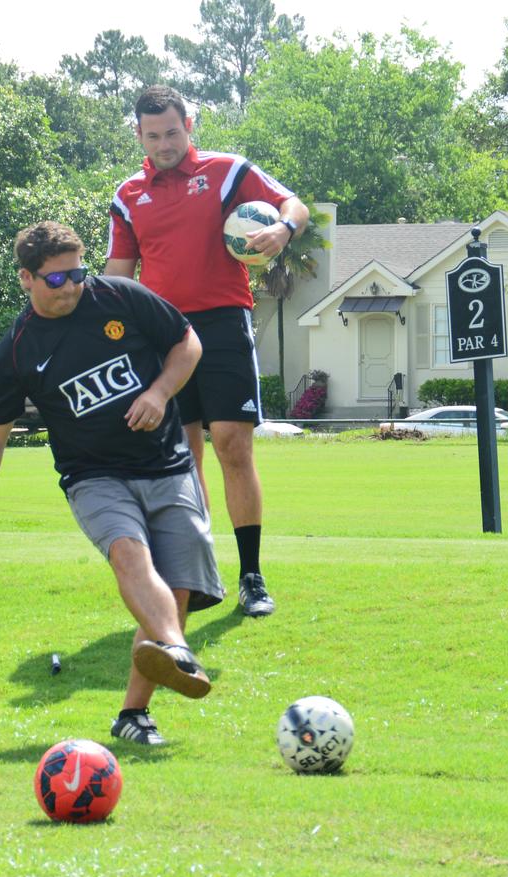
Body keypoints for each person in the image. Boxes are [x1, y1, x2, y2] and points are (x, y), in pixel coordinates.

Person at [0, 221, 224, 746]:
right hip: (94, 476)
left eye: (77, 273)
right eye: (56, 280)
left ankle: (133, 715)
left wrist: (161, 393)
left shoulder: (119, 296)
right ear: (26, 280)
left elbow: (187, 343)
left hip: (167, 464)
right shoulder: (18, 348)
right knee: (129, 554)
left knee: (177, 586)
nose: (72, 286)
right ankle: (177, 648)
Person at [105, 84, 309, 619]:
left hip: (222, 323)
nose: (164, 143)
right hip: (162, 336)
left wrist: (284, 229)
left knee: (232, 448)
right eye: (153, 135)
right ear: (139, 135)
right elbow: (118, 278)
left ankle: (252, 577)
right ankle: (197, 576)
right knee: (184, 460)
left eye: (172, 131)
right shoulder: (127, 196)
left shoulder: (227, 171)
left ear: (188, 125)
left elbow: (295, 205)